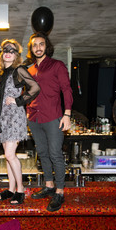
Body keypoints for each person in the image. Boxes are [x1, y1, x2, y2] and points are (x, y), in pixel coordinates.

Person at [26, 32, 73, 212]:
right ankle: (49, 185)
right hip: (34, 118)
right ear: (31, 49)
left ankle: (59, 192)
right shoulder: (29, 70)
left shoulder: (57, 65)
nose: (38, 47)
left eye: (41, 44)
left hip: (53, 117)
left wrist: (67, 114)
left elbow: (67, 90)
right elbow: (29, 93)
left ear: (46, 46)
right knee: (43, 154)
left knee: (55, 154)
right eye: (34, 45)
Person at [0, 39, 40, 205]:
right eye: (5, 49)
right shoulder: (1, 74)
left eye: (12, 50)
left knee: (9, 154)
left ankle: (20, 190)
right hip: (4, 118)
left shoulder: (18, 70)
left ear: (16, 55)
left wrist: (18, 100)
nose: (8, 52)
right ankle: (11, 189)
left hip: (14, 117)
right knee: (8, 156)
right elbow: (1, 94)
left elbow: (35, 87)